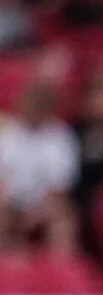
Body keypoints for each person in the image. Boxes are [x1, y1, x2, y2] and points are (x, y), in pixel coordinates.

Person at [0, 72, 79, 255]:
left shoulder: (61, 138)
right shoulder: (8, 133)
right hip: (10, 202)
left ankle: (60, 272)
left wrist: (35, 214)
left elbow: (59, 189)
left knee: (62, 219)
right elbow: (2, 180)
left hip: (44, 206)